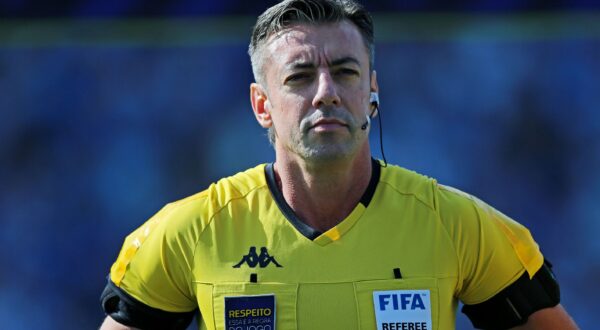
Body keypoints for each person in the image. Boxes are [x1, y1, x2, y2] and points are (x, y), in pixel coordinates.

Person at [100, 0, 578, 329]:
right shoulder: (188, 232)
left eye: (345, 71)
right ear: (262, 105)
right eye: (300, 76)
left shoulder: (457, 226)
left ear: (372, 89)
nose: (326, 91)